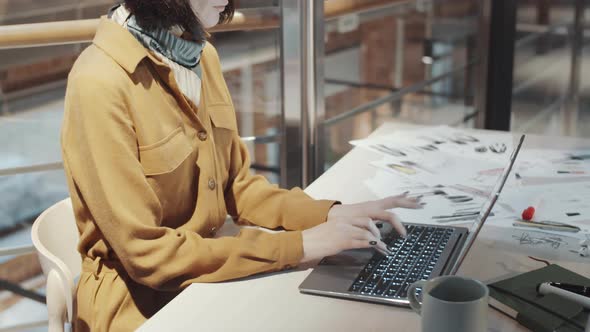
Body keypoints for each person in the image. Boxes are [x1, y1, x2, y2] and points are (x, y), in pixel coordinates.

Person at [60, 1, 421, 330]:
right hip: (139, 309)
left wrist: (328, 216)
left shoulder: (199, 55)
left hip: (207, 280)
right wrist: (299, 246)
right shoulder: (99, 83)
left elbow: (238, 186)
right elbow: (148, 255)